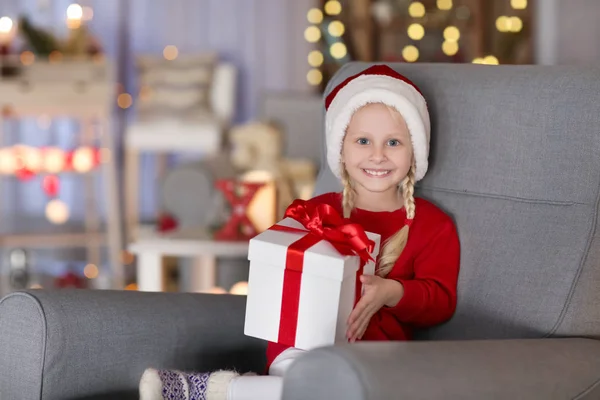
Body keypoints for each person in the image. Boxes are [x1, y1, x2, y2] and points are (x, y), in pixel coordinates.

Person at [139, 64, 461, 400]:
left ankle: (220, 390)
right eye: (363, 140)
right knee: (302, 374)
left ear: (415, 150)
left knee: (330, 387)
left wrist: (392, 292)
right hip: (299, 344)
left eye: (393, 142)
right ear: (342, 148)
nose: (377, 155)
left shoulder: (431, 224)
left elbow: (441, 301)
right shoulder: (317, 211)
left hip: (374, 358)